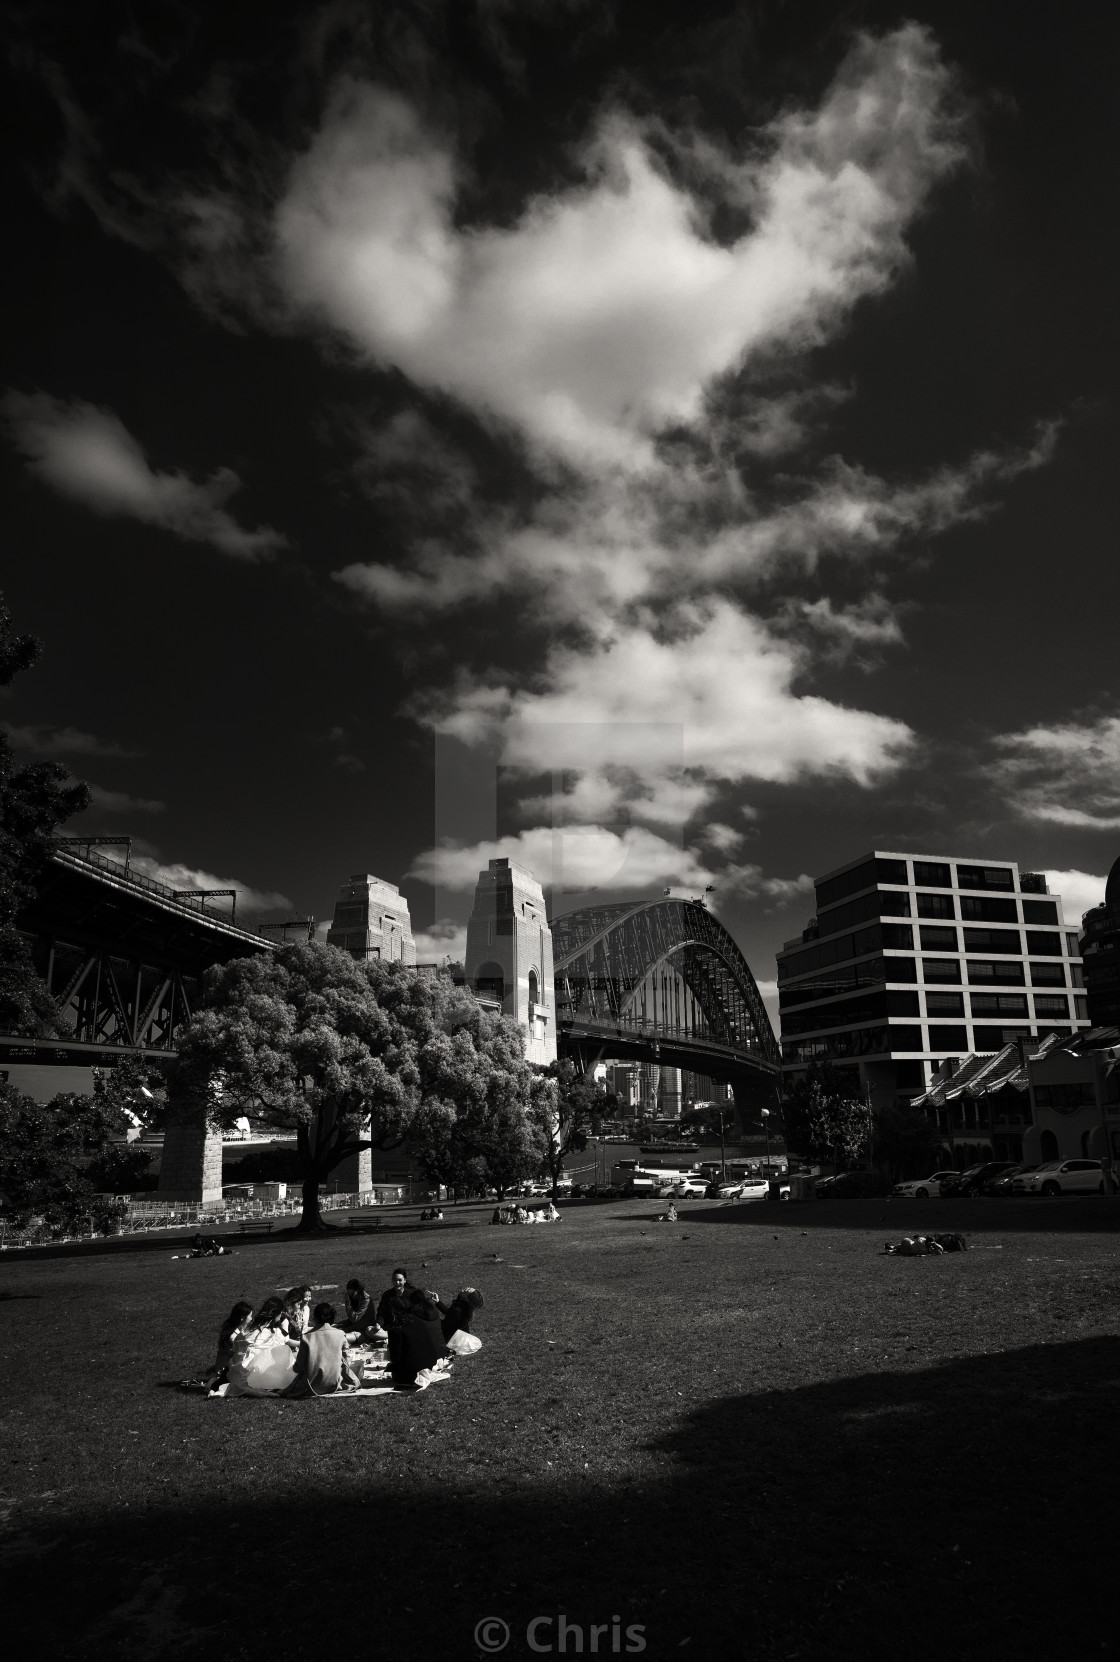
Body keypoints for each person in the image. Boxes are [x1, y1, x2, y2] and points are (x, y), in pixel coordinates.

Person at [282, 1303, 362, 1397]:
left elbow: (298, 1368)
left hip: (312, 1386)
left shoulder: (306, 1337)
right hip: (335, 1384)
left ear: (315, 1318)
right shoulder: (340, 1334)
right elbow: (346, 1363)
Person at [226, 1298, 299, 1396]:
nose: (281, 1315)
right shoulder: (274, 1332)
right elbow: (281, 1355)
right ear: (276, 1313)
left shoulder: (247, 1329)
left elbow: (235, 1348)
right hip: (259, 1375)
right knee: (294, 1356)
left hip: (239, 1373)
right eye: (280, 1312)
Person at [388, 1289, 451, 1389]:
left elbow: (395, 1356)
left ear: (393, 1311)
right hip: (430, 1363)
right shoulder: (419, 1320)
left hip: (414, 1370)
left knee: (395, 1373)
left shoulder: (395, 1328)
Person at [204, 1300, 253, 1389]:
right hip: (225, 1370)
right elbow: (239, 1354)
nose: (251, 1319)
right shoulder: (234, 1336)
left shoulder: (237, 1329)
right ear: (242, 1318)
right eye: (250, 1316)